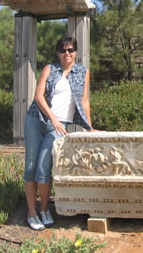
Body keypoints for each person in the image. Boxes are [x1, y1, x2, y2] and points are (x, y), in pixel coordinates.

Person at [23, 36, 93, 231]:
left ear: (76, 52)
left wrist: (90, 127)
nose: (67, 53)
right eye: (63, 50)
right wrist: (52, 117)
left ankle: (44, 209)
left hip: (59, 126)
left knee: (44, 167)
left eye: (71, 50)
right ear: (58, 53)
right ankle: (31, 212)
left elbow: (84, 101)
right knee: (31, 166)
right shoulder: (50, 69)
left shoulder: (82, 72)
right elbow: (38, 96)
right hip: (37, 120)